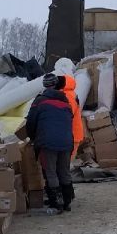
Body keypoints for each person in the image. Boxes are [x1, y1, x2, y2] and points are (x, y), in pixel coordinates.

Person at [26, 74, 77, 213]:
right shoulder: (66, 102)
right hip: (66, 141)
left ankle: (56, 203)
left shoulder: (40, 101)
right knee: (64, 171)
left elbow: (30, 122)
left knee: (51, 172)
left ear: (45, 85)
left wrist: (32, 137)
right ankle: (67, 201)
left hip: (48, 142)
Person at [61, 73, 85, 160]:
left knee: (66, 162)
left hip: (72, 134)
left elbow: (67, 114)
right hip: (73, 133)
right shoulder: (71, 94)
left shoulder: (68, 96)